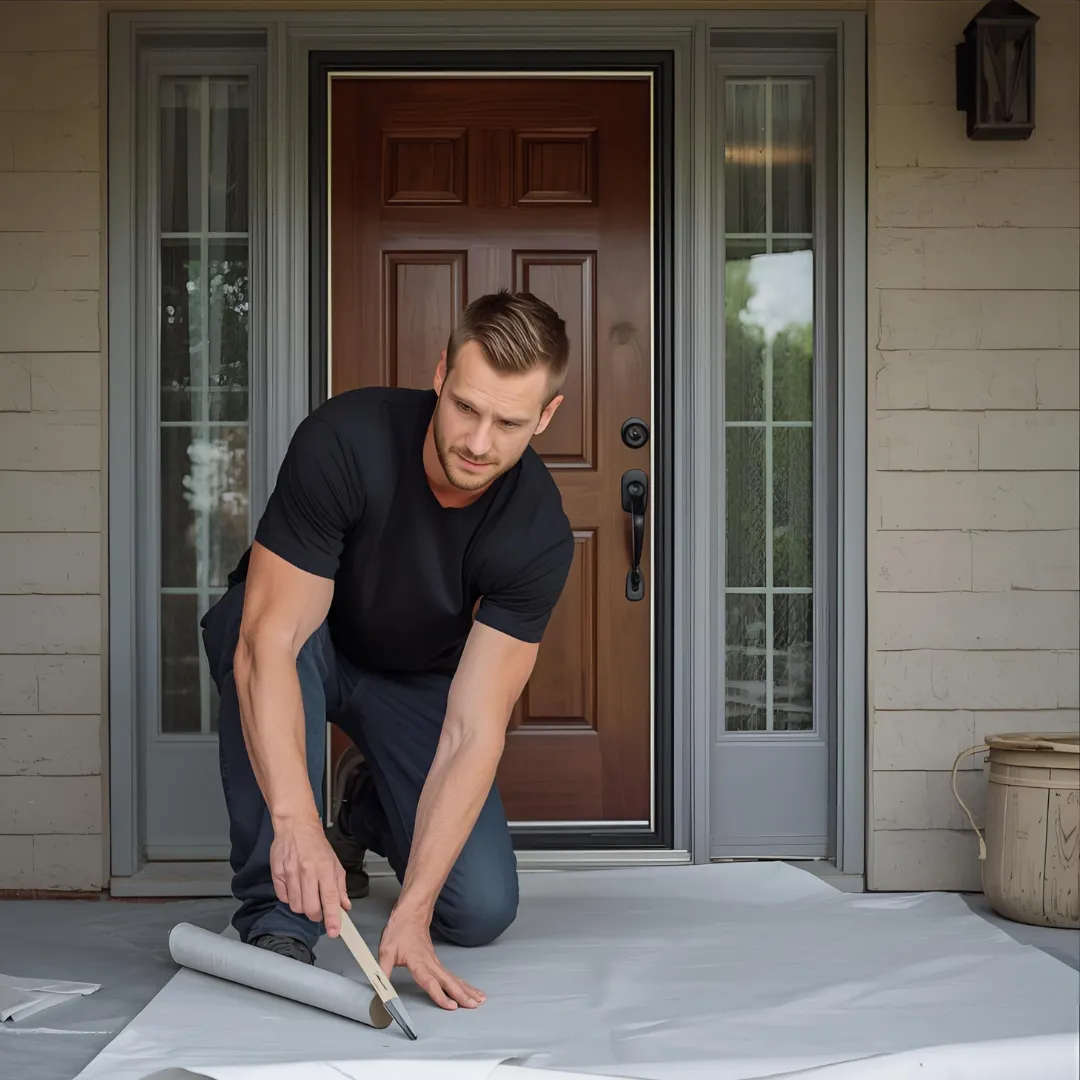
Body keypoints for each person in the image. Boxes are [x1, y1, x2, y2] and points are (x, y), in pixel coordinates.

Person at [200, 290, 575, 1014]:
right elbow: (266, 645)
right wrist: (296, 825)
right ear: (440, 372)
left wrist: (415, 909)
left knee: (479, 910)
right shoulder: (346, 440)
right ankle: (278, 916)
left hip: (410, 678)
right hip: (311, 645)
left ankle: (365, 811)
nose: (477, 442)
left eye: (509, 423)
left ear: (547, 417)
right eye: (466, 407)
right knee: (256, 630)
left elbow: (473, 731)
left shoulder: (537, 533)